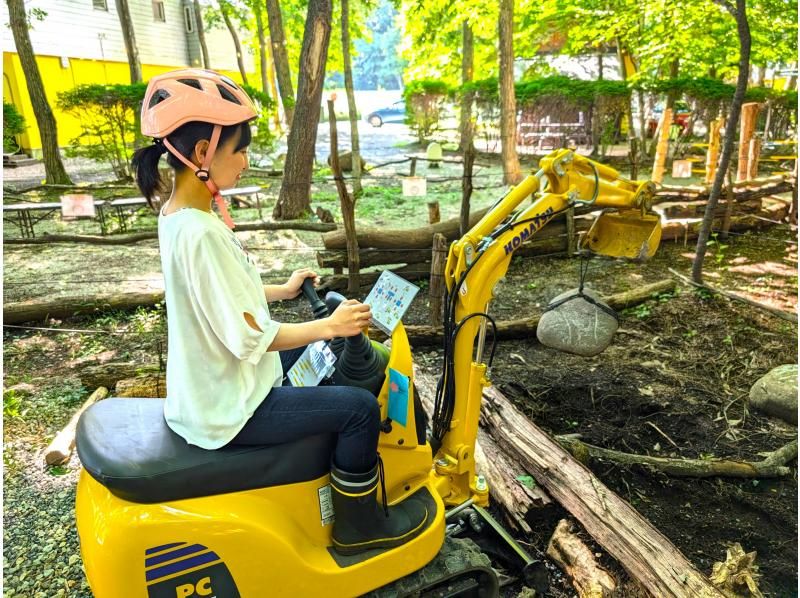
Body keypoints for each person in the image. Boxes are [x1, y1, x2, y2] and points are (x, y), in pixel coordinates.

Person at [131, 69, 427, 555]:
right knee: (356, 412)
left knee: (322, 356)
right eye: (239, 150)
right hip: (228, 408)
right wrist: (330, 324)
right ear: (204, 154)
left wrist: (283, 290)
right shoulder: (202, 232)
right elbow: (251, 339)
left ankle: (316, 476)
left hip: (213, 385)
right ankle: (359, 525)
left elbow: (222, 297)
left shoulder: (178, 214)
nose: (246, 162)